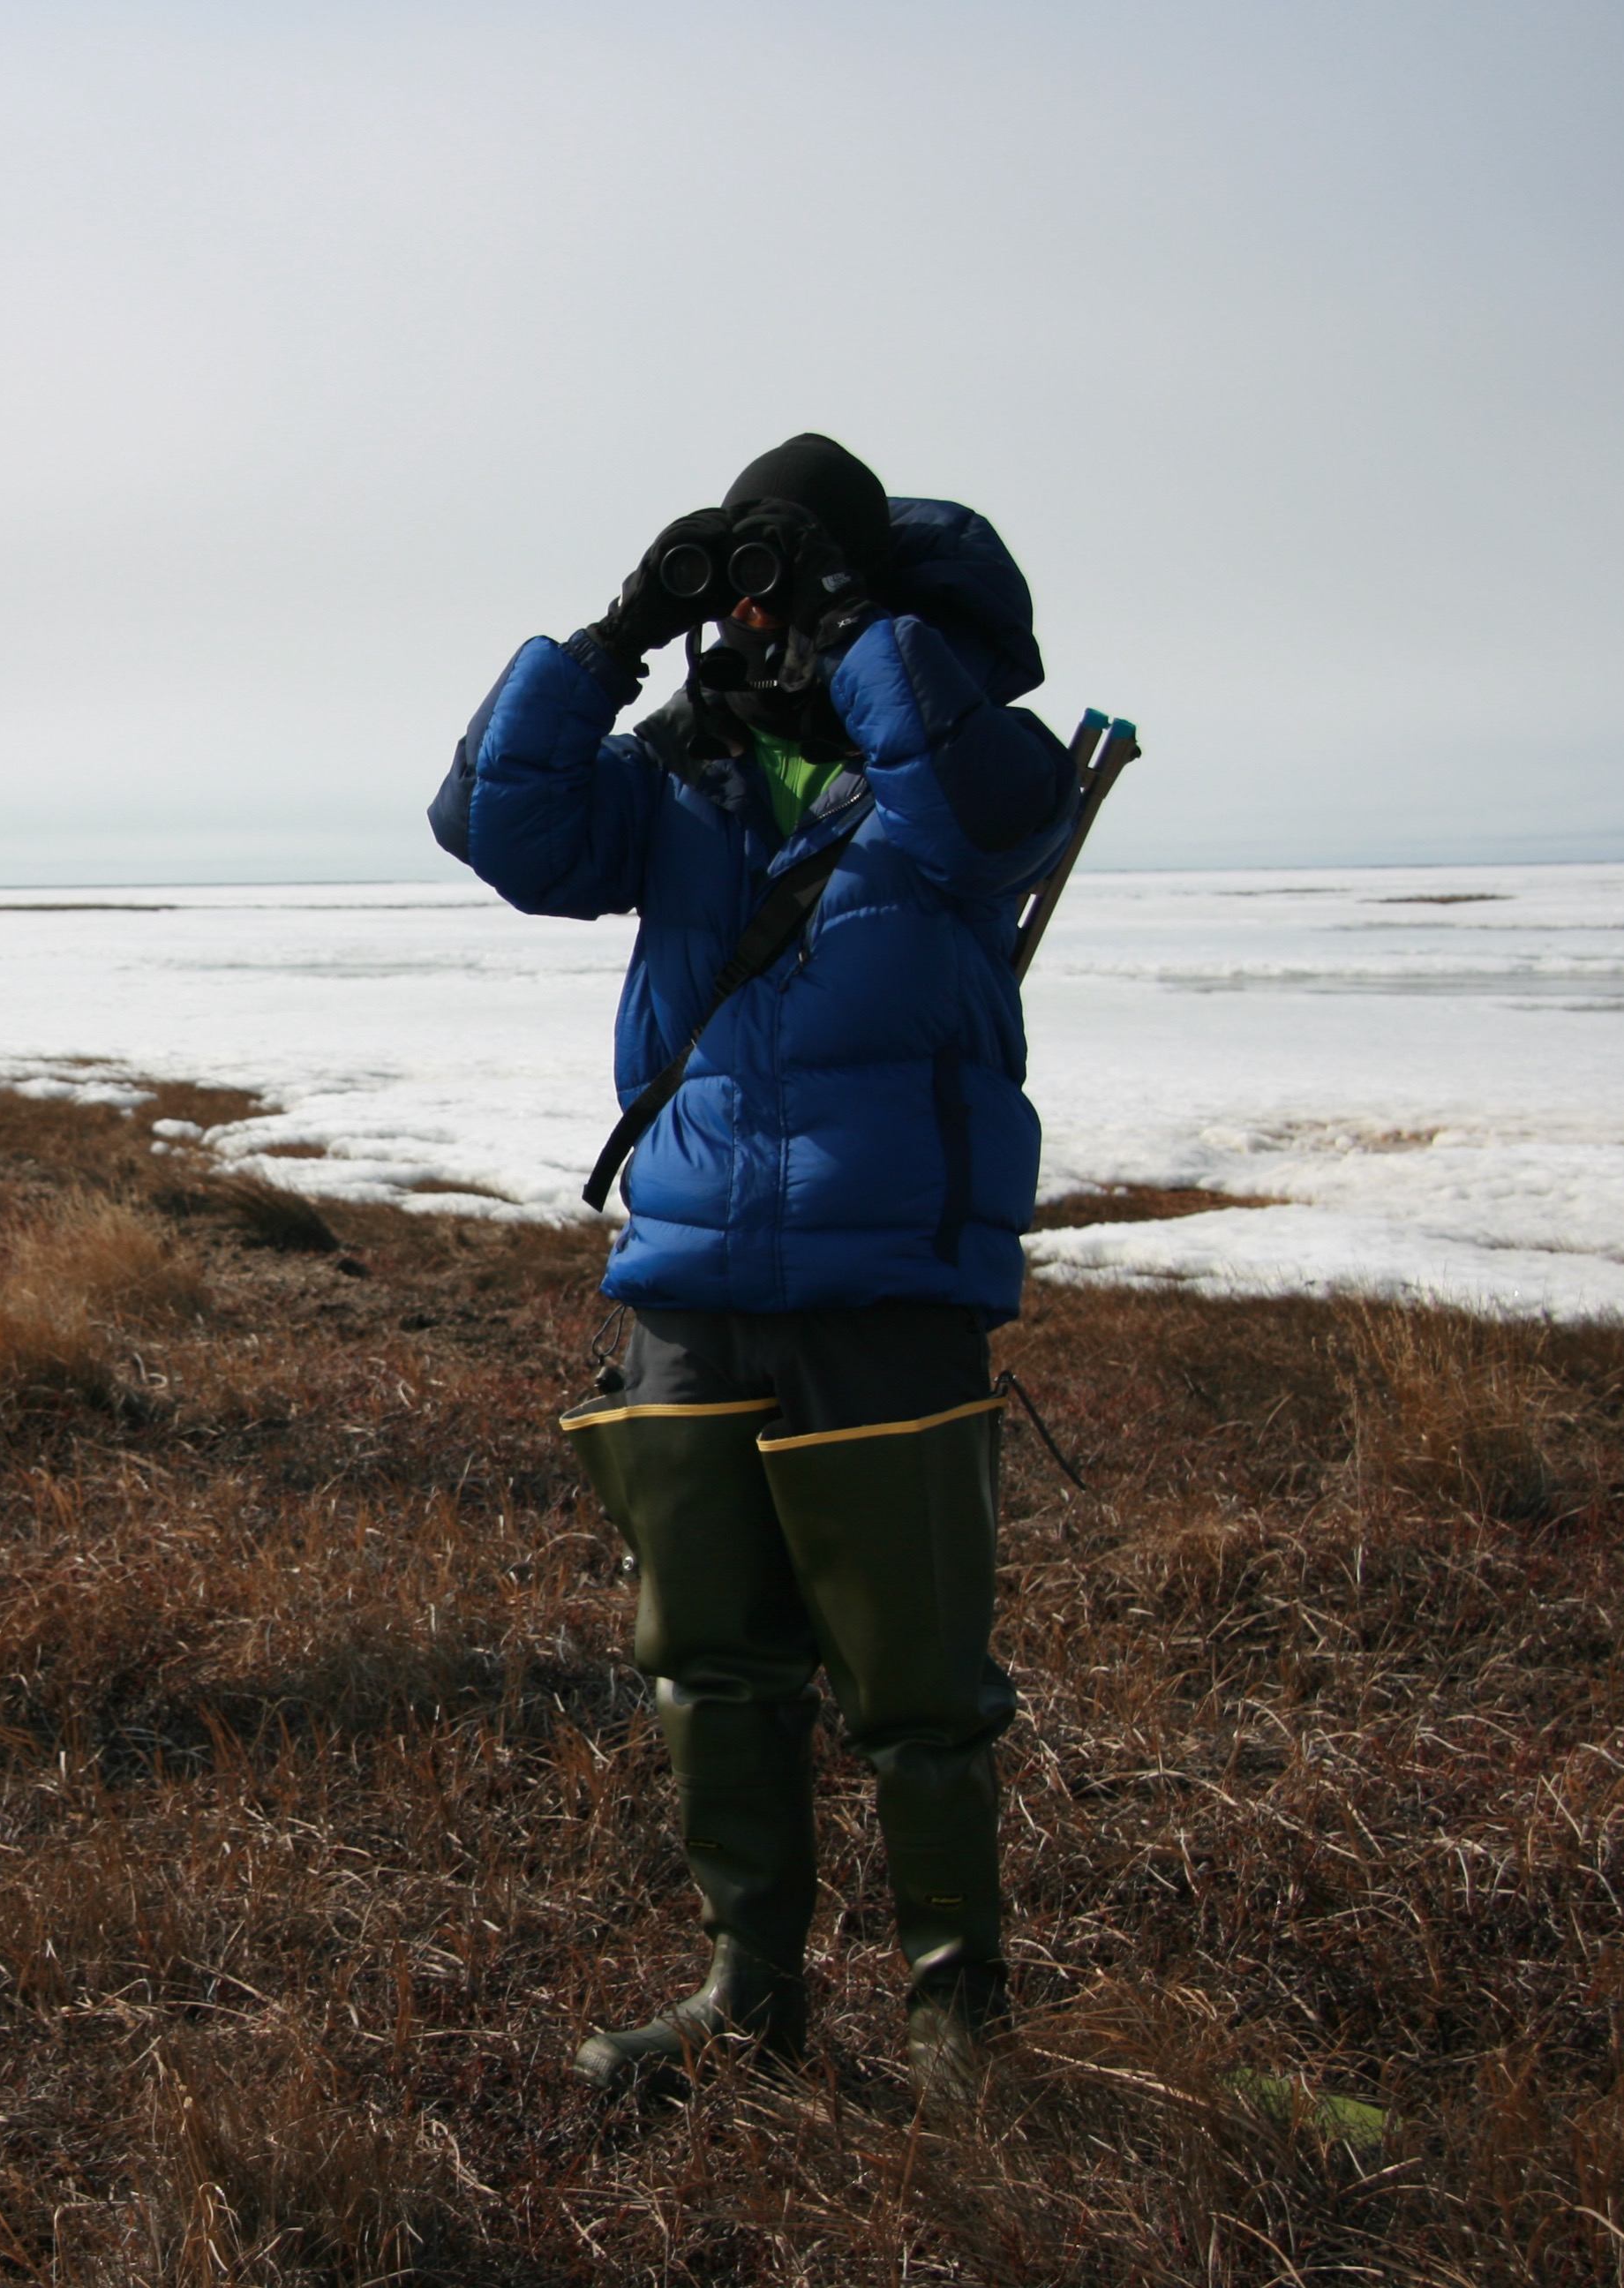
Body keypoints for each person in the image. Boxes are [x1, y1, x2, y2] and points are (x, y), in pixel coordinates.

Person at [430, 436, 1079, 2092]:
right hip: (692, 1268)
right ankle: (748, 1993)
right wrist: (606, 638)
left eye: (782, 586)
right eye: (742, 593)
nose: (758, 623)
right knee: (708, 1661)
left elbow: (983, 815)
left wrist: (860, 624)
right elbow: (498, 827)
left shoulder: (952, 758)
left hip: (887, 1270)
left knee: (918, 1683)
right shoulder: (678, 777)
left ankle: (954, 2021)